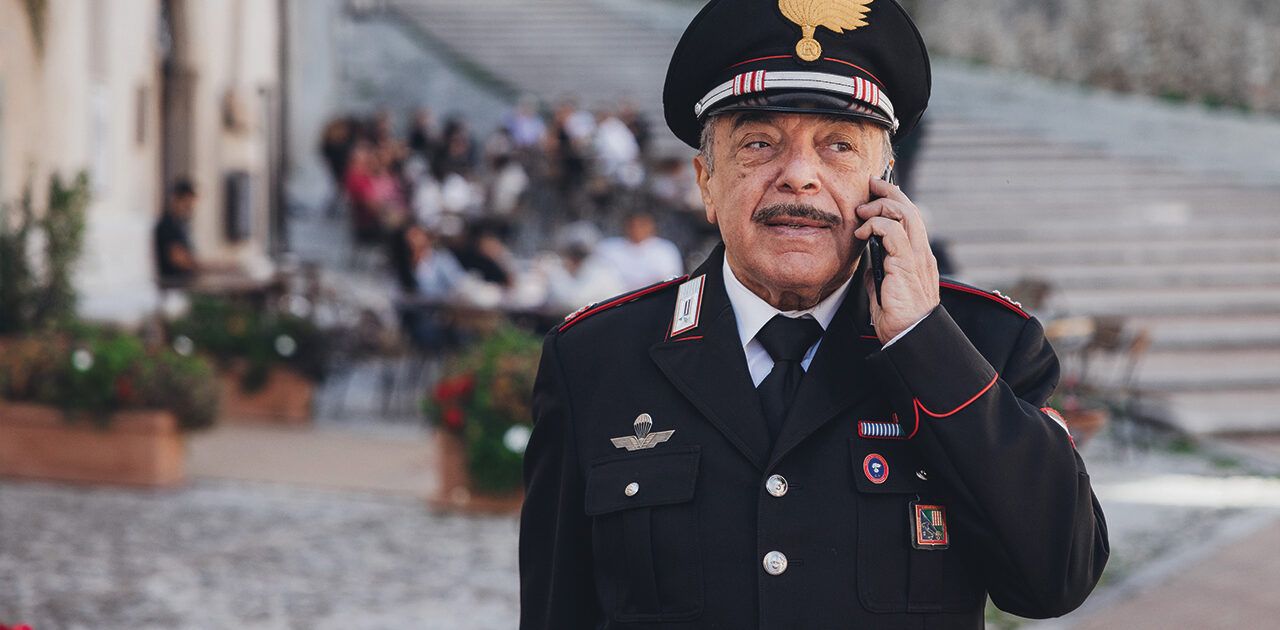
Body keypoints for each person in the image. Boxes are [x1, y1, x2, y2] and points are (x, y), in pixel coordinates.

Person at [519, 1, 1109, 628]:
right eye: (758, 143)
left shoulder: (987, 344)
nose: (799, 176)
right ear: (706, 183)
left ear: (885, 183)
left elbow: (1056, 578)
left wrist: (924, 344)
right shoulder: (594, 361)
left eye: (837, 146)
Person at [595, 211, 684, 291]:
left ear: (651, 226)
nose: (637, 229)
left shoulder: (665, 249)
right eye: (632, 225)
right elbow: (600, 280)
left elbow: (671, 280)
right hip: (617, 300)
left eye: (642, 225)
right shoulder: (608, 247)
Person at [154, 178, 200, 287]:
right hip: (174, 283)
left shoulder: (180, 224)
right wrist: (204, 266)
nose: (189, 207)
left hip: (183, 281)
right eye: (187, 202)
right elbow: (177, 259)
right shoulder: (167, 224)